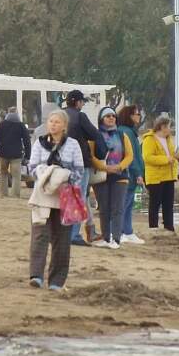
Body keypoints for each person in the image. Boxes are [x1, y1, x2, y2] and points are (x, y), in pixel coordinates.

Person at [28, 109, 84, 291]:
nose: (53, 124)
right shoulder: (39, 143)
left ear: (65, 126)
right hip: (42, 194)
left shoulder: (73, 145)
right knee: (39, 235)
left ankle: (56, 281)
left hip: (64, 196)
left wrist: (63, 177)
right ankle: (36, 275)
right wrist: (46, 175)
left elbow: (79, 171)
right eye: (51, 121)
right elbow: (31, 168)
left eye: (57, 122)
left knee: (62, 239)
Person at [62, 90, 102, 247]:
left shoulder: (60, 115)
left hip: (63, 160)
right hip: (81, 161)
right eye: (82, 102)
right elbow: (93, 133)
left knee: (67, 196)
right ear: (77, 102)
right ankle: (74, 234)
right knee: (79, 196)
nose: (83, 104)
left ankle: (65, 231)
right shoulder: (80, 116)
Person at [89, 107, 132, 249]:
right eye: (107, 116)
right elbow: (91, 155)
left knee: (117, 208)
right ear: (101, 118)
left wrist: (119, 166)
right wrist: (104, 167)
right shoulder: (95, 135)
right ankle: (106, 237)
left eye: (113, 115)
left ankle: (116, 238)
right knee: (104, 208)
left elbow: (129, 155)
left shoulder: (122, 135)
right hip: (101, 175)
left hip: (120, 175)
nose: (111, 118)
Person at [141, 116, 179, 232]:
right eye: (168, 126)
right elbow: (148, 158)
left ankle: (169, 227)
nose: (170, 129)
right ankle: (153, 227)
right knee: (155, 204)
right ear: (162, 127)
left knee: (168, 204)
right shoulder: (149, 139)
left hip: (169, 176)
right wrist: (166, 159)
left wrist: (177, 157)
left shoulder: (169, 139)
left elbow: (172, 153)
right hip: (155, 177)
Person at [116, 106, 146, 244]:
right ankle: (121, 232)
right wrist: (138, 173)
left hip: (132, 174)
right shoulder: (125, 132)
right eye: (136, 114)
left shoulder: (130, 132)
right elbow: (131, 156)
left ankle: (127, 231)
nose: (139, 116)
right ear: (129, 116)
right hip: (128, 174)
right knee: (124, 204)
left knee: (128, 204)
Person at [0, 109, 32, 198]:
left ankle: (3, 193)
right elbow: (27, 141)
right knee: (16, 175)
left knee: (3, 173)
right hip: (16, 155)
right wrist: (28, 155)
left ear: (8, 113)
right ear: (17, 114)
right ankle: (15, 195)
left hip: (4, 153)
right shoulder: (21, 125)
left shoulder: (2, 125)